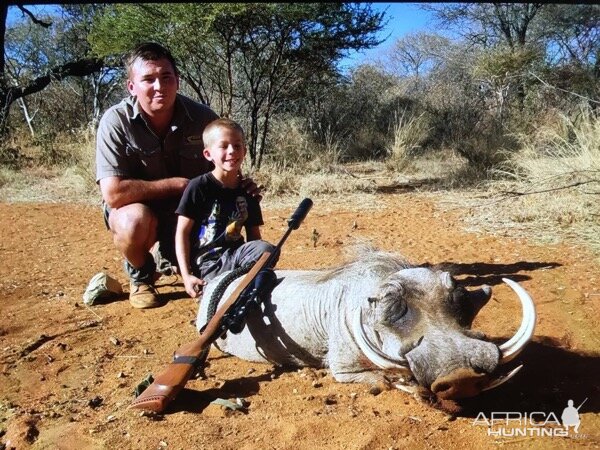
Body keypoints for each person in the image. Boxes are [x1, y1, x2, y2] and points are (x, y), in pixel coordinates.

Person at [95, 42, 259, 309]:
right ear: (132, 86)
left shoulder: (202, 117)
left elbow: (222, 166)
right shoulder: (115, 121)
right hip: (140, 210)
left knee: (211, 247)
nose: (159, 86)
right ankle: (142, 276)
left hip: (189, 211)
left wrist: (241, 184)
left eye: (166, 77)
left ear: (177, 81)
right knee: (133, 222)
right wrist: (178, 185)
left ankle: (174, 260)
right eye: (148, 79)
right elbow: (113, 194)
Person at [175, 118, 278, 299]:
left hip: (237, 257)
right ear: (208, 154)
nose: (232, 151)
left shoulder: (248, 191)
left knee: (267, 250)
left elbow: (254, 236)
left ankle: (243, 284)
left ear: (245, 151)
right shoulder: (198, 186)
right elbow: (182, 233)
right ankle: (218, 289)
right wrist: (186, 276)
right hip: (208, 263)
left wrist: (263, 263)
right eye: (223, 146)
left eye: (237, 146)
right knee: (223, 296)